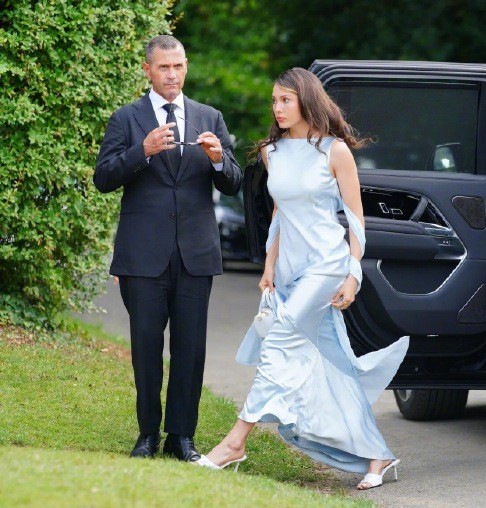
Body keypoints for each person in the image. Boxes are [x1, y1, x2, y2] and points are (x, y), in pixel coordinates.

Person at [195, 68, 409, 490]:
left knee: (278, 342)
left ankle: (235, 442)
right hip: (289, 269)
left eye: (285, 100)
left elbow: (355, 219)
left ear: (306, 101)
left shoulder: (335, 151)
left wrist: (353, 274)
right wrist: (269, 266)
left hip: (326, 265)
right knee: (332, 364)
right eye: (274, 101)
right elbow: (279, 212)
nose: (277, 108)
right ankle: (378, 455)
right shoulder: (272, 152)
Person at [94, 35, 242, 461]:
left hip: (195, 253)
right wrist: (141, 151)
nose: (172, 75)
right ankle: (147, 435)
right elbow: (103, 178)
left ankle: (182, 437)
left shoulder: (209, 117)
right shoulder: (126, 118)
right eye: (164, 67)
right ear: (148, 70)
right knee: (145, 348)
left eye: (178, 66)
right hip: (143, 256)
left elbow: (233, 182)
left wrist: (218, 158)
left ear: (186, 66)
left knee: (190, 349)